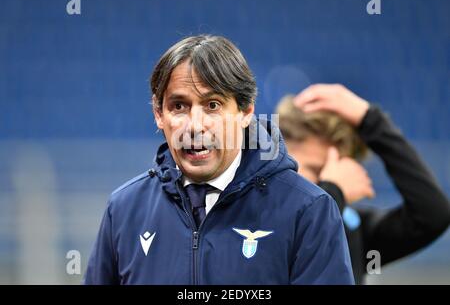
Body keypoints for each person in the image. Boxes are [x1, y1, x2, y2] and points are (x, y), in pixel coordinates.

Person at [83, 36, 354, 285]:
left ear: (246, 112)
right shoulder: (123, 210)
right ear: (158, 114)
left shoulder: (308, 210)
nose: (195, 126)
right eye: (179, 106)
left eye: (212, 105)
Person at [276, 84, 450, 284]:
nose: (330, 177)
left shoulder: (351, 230)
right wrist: (333, 191)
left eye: (336, 171)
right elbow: (290, 238)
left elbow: (432, 215)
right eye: (316, 170)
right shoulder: (257, 222)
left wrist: (371, 120)